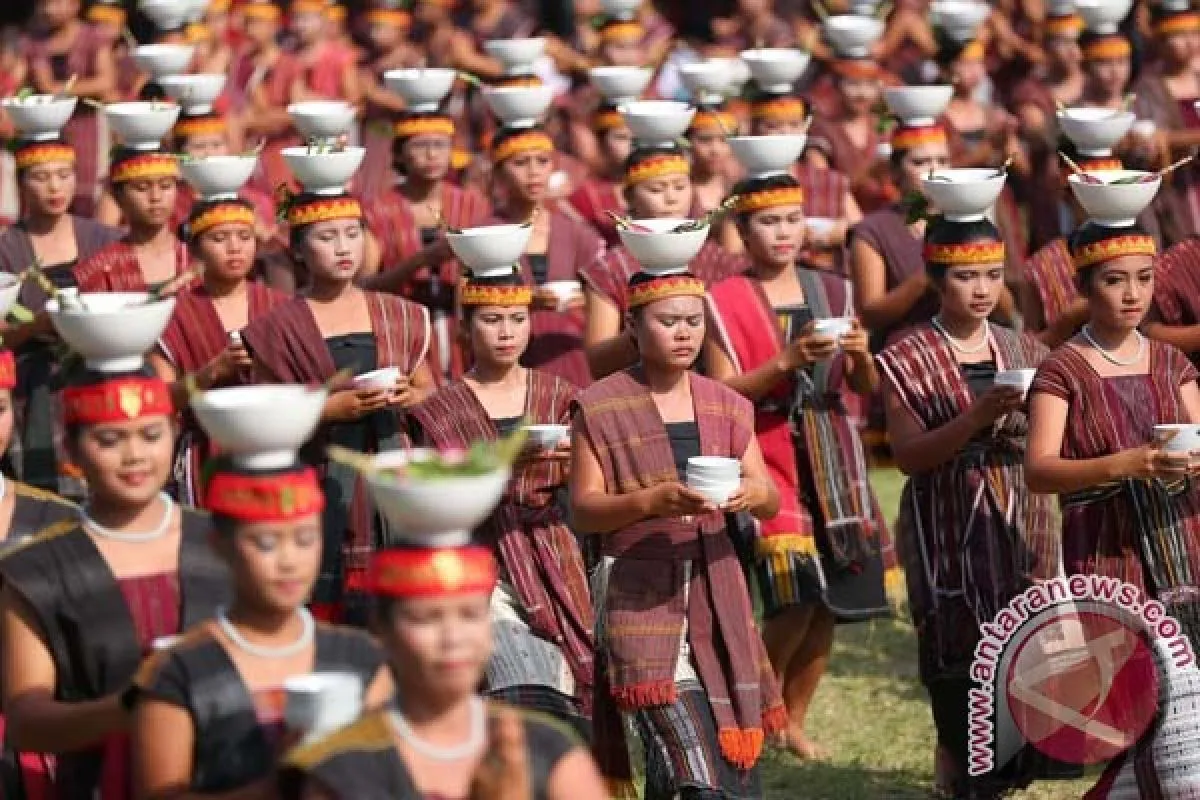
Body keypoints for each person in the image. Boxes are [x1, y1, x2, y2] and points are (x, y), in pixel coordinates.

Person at [570, 268, 785, 799]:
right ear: (633, 328)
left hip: (717, 585)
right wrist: (648, 501)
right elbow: (583, 510)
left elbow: (771, 495)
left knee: (691, 768)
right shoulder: (597, 405)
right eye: (668, 322)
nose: (684, 333)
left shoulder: (727, 403)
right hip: (638, 594)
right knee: (692, 758)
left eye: (693, 321)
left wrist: (749, 495)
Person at [704, 174, 894, 760]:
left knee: (827, 602)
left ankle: (793, 720)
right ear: (744, 229)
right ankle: (764, 707)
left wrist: (862, 358)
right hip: (768, 451)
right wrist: (784, 362)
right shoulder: (723, 298)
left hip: (834, 452)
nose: (783, 232)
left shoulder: (833, 290)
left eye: (792, 219)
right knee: (791, 596)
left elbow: (864, 386)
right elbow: (718, 391)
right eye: (769, 221)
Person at [877, 215, 1059, 798]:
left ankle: (988, 777)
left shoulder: (1023, 346)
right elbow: (908, 455)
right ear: (935, 278)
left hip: (1021, 520)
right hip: (946, 525)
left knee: (1025, 655)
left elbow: (1052, 437)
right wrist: (977, 417)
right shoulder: (907, 355)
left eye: (991, 275)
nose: (981, 289)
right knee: (960, 662)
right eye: (964, 276)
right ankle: (965, 773)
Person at [1025, 212, 1200, 797]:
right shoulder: (1063, 368)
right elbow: (1040, 470)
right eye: (1114, 280)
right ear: (1084, 286)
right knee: (1145, 711)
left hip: (1186, 546)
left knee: (1183, 721)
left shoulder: (1173, 362)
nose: (1133, 294)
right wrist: (1128, 463)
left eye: (1145, 278)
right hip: (1109, 556)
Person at [0, 362, 231, 799]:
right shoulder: (34, 569)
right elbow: (27, 722)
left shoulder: (224, 543)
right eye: (109, 440)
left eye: (151, 435)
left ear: (174, 432)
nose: (135, 457)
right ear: (71, 449)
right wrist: (126, 709)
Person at [130, 455, 393, 796]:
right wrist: (278, 784)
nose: (289, 561)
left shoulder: (361, 657)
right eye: (266, 543)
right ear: (219, 546)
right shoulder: (176, 670)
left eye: (305, 539)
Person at [411, 268, 594, 736]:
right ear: (466, 328)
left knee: (571, 692)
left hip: (555, 558)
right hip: (479, 562)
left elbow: (591, 488)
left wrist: (577, 464)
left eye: (517, 318)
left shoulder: (559, 395)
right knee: (522, 689)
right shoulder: (438, 409)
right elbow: (429, 498)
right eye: (492, 319)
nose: (507, 332)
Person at [242, 189, 436, 625]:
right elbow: (267, 418)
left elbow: (429, 391)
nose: (344, 247)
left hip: (394, 477)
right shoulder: (277, 328)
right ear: (298, 249)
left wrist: (411, 395)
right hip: (320, 479)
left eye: (352, 234)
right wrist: (331, 409)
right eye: (327, 237)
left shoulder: (399, 314)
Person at [279, 543, 608, 800]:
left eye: (469, 615)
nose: (453, 638)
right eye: (427, 618)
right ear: (383, 632)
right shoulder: (348, 764)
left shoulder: (545, 749)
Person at [0, 134, 120, 500]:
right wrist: (37, 326)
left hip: (98, 380)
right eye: (41, 177)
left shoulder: (103, 239)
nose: (55, 186)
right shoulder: (6, 249)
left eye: (64, 174)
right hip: (32, 392)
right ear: (21, 182)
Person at [148, 195, 289, 505]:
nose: (234, 248)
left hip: (275, 445)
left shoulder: (280, 307)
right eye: (219, 238)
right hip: (205, 453)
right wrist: (210, 374)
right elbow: (160, 399)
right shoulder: (175, 315)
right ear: (195, 249)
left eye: (244, 237)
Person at [580, 143, 744, 380]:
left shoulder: (719, 260)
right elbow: (597, 362)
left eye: (680, 187)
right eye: (657, 189)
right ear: (629, 197)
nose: (671, 199)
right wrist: (644, 327)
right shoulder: (610, 268)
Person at [360, 106, 492, 382]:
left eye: (440, 145)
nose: (432, 155)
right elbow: (365, 285)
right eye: (420, 146)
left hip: (463, 331)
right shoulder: (379, 210)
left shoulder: (472, 204)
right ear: (400, 153)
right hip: (402, 332)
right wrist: (420, 261)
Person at [486, 125, 605, 388]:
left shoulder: (577, 232)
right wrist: (526, 300)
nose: (533, 172)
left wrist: (585, 300)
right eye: (520, 163)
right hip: (507, 364)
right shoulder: (484, 235)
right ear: (499, 174)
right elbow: (466, 315)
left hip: (569, 356)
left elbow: (607, 294)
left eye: (542, 161)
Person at [20, 0, 117, 217]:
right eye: (45, 4)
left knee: (89, 191)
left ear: (75, 5)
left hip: (87, 125)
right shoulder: (35, 41)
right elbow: (30, 83)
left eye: (57, 2)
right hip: (49, 129)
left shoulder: (93, 37)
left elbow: (105, 81)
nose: (49, 9)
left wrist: (60, 90)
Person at [73, 147, 191, 293]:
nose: (156, 197)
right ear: (118, 197)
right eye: (142, 188)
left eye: (165, 186)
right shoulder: (101, 268)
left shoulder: (196, 257)